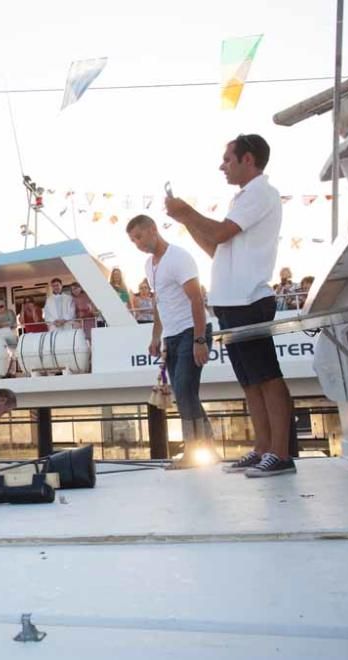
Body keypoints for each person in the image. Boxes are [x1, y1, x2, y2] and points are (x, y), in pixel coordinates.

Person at [165, 133, 295, 477]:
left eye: (227, 159)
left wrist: (188, 211)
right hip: (232, 301)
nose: (222, 166)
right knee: (250, 380)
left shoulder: (259, 193)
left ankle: (281, 454)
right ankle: (264, 448)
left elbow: (220, 235)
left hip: (249, 298)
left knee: (267, 377)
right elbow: (216, 247)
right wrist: (185, 219)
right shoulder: (244, 198)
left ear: (247, 159)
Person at [127, 215, 214, 468]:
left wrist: (199, 339)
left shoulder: (179, 258)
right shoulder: (148, 265)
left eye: (139, 237)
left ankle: (193, 453)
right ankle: (206, 447)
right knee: (183, 392)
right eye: (133, 241)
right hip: (172, 335)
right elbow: (159, 302)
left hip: (192, 331)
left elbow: (196, 299)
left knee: (186, 390)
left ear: (153, 230)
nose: (137, 244)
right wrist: (156, 336)